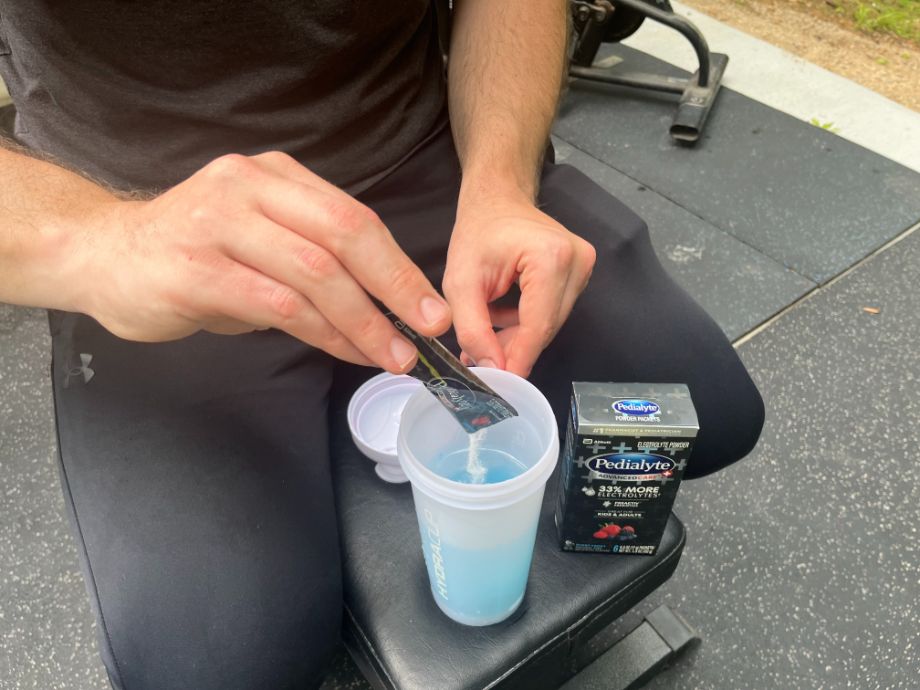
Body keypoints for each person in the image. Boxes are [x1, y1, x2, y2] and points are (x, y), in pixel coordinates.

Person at [0, 1, 764, 688]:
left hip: (422, 168)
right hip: (156, 226)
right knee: (210, 664)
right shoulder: (131, 229)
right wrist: (100, 241)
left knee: (710, 410)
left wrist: (500, 181)